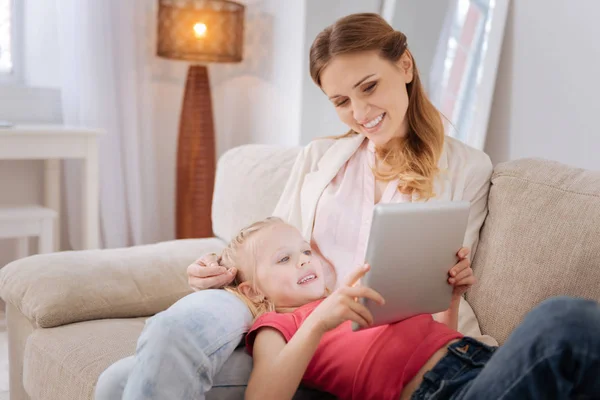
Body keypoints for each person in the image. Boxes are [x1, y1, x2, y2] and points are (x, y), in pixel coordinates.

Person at [96, 13, 494, 399]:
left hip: (362, 340)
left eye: (369, 87)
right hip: (282, 313)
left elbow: (439, 283)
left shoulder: (466, 169)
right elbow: (273, 239)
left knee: (118, 383)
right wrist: (221, 266)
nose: (359, 113)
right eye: (341, 101)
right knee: (151, 351)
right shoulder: (321, 156)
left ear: (405, 65)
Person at [228, 217, 600, 400]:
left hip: (482, 363)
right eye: (284, 259)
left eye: (306, 252)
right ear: (253, 290)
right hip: (444, 392)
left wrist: (449, 298)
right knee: (560, 323)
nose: (304, 262)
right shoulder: (281, 323)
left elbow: (438, 339)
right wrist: (319, 323)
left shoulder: (350, 298)